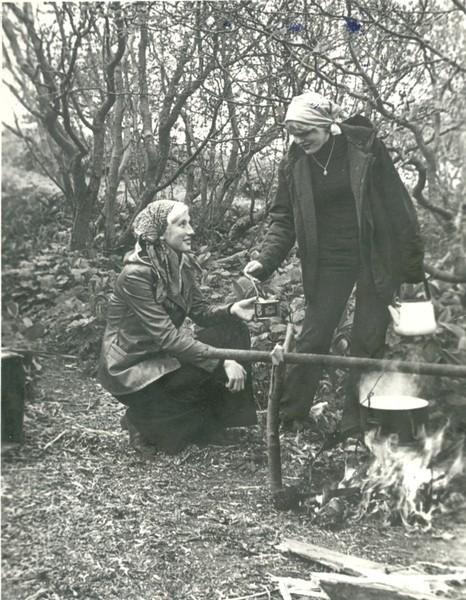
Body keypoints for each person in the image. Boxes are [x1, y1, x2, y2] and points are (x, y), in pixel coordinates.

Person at [244, 91, 424, 441]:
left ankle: (356, 424)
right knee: (314, 334)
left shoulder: (366, 148)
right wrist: (263, 261)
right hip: (328, 260)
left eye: (305, 132)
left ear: (326, 126)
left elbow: (398, 207)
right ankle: (290, 416)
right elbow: (283, 219)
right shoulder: (294, 162)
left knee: (367, 339)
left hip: (375, 255)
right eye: (293, 133)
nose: (299, 140)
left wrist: (412, 266)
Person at [99, 199, 257, 454]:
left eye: (189, 223)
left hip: (162, 359)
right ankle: (140, 420)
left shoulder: (177, 263)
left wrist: (232, 309)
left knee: (233, 329)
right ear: (160, 233)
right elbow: (168, 338)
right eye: (182, 224)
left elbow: (201, 312)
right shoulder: (136, 275)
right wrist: (222, 361)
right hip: (133, 368)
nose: (191, 230)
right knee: (173, 443)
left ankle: (216, 423)